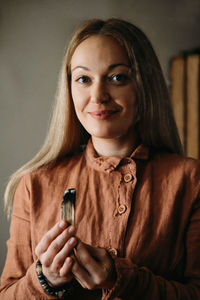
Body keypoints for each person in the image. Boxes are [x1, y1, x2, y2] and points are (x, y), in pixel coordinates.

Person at [0, 18, 200, 300]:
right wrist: (45, 280)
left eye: (117, 77)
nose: (98, 95)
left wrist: (122, 279)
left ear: (145, 85)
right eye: (83, 79)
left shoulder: (191, 181)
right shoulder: (34, 185)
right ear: (69, 89)